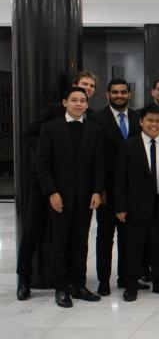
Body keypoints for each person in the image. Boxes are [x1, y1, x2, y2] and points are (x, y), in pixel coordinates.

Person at [17, 70, 97, 301]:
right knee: (33, 230)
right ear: (73, 87)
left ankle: (72, 282)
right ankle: (24, 278)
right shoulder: (54, 111)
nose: (87, 89)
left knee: (69, 236)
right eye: (84, 84)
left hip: (73, 188)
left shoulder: (89, 116)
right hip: (43, 184)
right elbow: (29, 135)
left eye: (91, 86)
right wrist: (53, 156)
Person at [36, 87, 105, 307]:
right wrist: (51, 192)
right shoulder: (50, 128)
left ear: (86, 104)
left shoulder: (94, 130)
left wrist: (97, 191)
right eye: (73, 100)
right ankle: (61, 288)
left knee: (80, 243)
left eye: (82, 100)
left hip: (85, 197)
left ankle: (79, 284)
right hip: (59, 197)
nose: (78, 104)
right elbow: (42, 164)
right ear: (65, 102)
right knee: (60, 243)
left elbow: (99, 164)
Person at [114, 104, 159, 301]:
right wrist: (120, 207)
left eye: (158, 121)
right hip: (135, 206)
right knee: (133, 246)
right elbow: (120, 180)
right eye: (150, 120)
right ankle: (131, 284)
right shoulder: (128, 146)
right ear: (141, 122)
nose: (154, 124)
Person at [89, 78, 148, 296]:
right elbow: (95, 158)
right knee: (105, 237)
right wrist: (98, 188)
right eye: (115, 92)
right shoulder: (96, 119)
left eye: (123, 92)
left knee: (129, 238)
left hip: (132, 192)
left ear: (129, 95)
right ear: (107, 95)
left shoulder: (137, 118)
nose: (120, 95)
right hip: (107, 191)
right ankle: (104, 280)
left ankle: (126, 276)